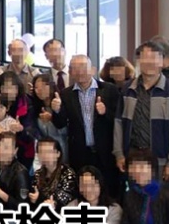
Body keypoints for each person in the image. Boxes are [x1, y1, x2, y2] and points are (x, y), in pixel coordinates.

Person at [114, 41, 169, 192]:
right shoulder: (128, 89)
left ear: (162, 61)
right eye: (145, 58)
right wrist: (119, 154)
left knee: (162, 202)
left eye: (154, 58)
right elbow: (119, 124)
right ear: (138, 61)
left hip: (162, 162)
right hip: (133, 160)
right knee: (136, 199)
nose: (149, 63)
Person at [51, 55, 123, 197]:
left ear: (93, 70)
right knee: (83, 191)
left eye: (83, 67)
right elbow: (60, 124)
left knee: (109, 190)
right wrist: (57, 111)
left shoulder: (110, 90)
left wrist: (105, 112)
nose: (80, 72)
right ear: (70, 72)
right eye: (75, 68)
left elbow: (119, 120)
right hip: (80, 152)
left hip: (105, 151)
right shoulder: (66, 94)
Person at [0, 71, 40, 172]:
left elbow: (33, 134)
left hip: (24, 152)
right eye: (4, 87)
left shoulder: (27, 104)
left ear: (17, 88)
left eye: (11, 87)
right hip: (2, 151)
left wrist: (21, 130)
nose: (7, 91)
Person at [32, 73, 68, 165]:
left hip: (61, 150)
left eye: (44, 86)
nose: (40, 90)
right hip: (43, 153)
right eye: (36, 87)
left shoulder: (61, 102)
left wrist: (53, 117)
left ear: (51, 86)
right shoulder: (36, 107)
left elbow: (65, 130)